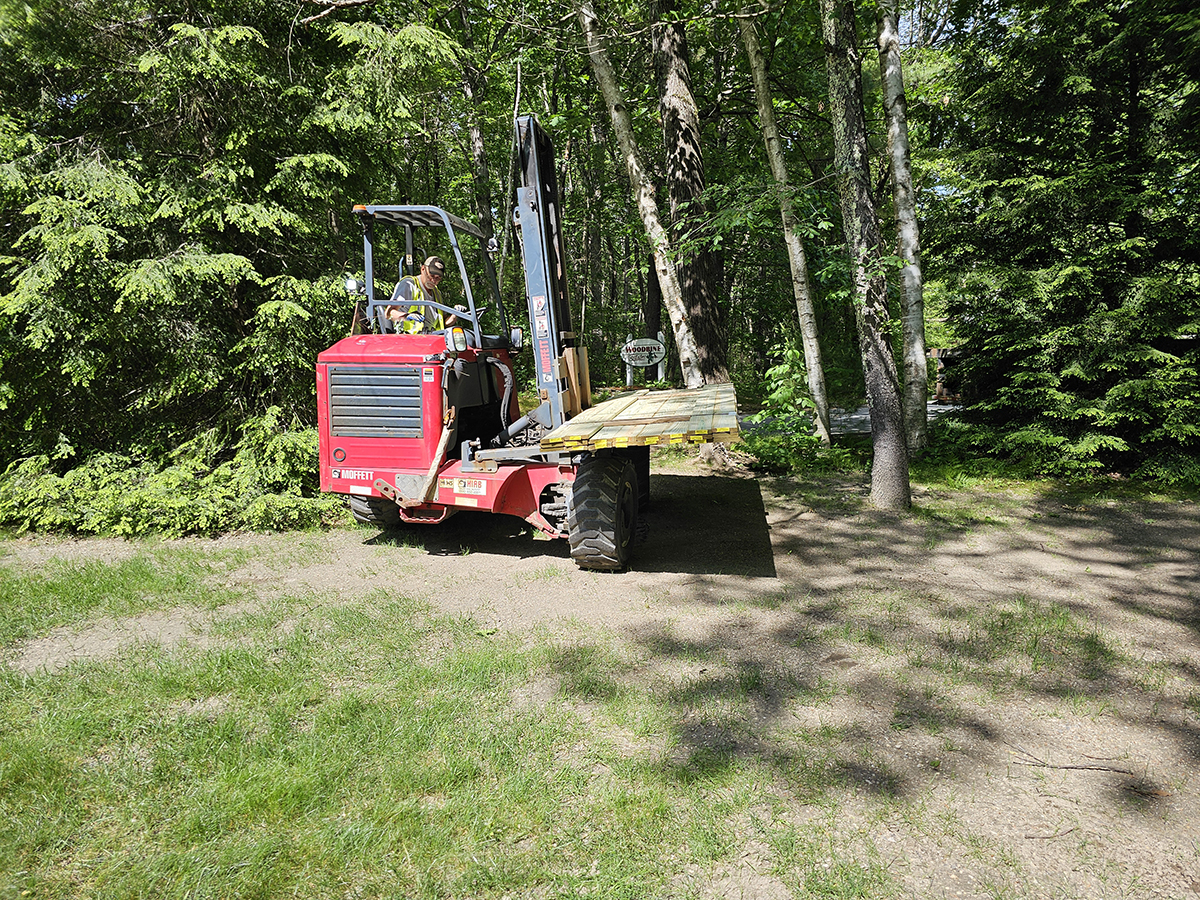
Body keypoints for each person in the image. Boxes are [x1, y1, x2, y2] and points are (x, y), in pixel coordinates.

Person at [386, 256, 448, 333]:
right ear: (423, 269)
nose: (433, 281)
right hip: (409, 339)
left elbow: (444, 324)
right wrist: (407, 316)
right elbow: (389, 313)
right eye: (431, 276)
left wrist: (456, 314)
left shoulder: (437, 293)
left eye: (438, 278)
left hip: (432, 338)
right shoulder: (409, 284)